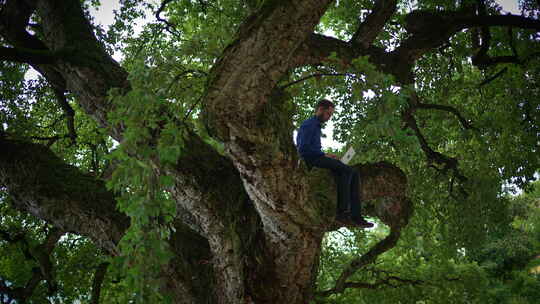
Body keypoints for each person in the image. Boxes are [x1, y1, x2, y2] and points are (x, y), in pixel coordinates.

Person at [296, 99, 374, 228]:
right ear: (320, 109)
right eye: (328, 114)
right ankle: (342, 212)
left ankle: (356, 216)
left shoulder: (315, 125)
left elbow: (312, 148)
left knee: (349, 172)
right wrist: (323, 155)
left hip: (317, 157)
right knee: (349, 171)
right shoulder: (309, 124)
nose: (329, 118)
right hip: (311, 160)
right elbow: (303, 149)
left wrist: (327, 155)